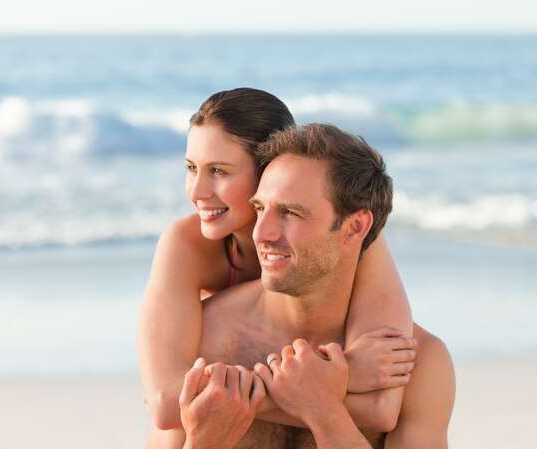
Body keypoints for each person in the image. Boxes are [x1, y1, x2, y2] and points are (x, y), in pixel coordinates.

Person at [138, 89, 415, 447]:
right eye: (191, 168)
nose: (197, 190)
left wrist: (239, 396)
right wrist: (340, 376)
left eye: (219, 171)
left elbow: (379, 406)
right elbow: (164, 401)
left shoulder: (355, 236)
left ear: (271, 167)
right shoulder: (187, 245)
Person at [179, 123, 455, 449]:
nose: (260, 233)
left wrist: (322, 410)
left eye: (290, 213)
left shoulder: (413, 365)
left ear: (355, 227)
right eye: (260, 209)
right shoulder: (205, 340)